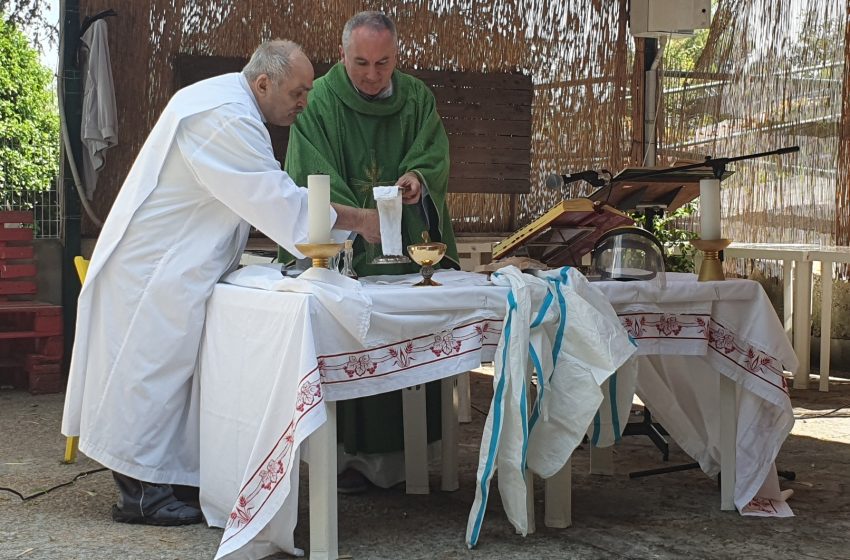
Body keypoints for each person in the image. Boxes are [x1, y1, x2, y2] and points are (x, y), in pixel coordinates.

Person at [61, 40, 380, 526]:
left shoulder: (224, 102)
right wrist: (359, 220)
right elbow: (275, 201)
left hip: (174, 265)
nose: (304, 103)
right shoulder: (225, 116)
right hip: (155, 271)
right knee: (148, 377)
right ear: (263, 83)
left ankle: (166, 482)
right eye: (297, 91)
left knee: (173, 382)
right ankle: (139, 494)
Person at [281, 11, 458, 493]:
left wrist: (417, 180)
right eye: (361, 62)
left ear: (396, 57)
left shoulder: (418, 98)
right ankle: (344, 462)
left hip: (408, 252)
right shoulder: (318, 104)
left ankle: (410, 463)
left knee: (417, 339)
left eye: (383, 63)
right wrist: (363, 219)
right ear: (342, 55)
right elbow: (310, 174)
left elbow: (433, 153)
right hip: (349, 254)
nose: (373, 74)